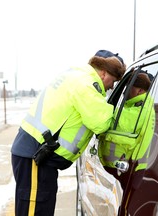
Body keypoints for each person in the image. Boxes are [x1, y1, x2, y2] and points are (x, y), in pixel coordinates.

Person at [11, 50, 126, 216]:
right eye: (113, 80)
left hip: (36, 155)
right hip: (36, 156)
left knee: (37, 210)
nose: (112, 86)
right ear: (103, 72)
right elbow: (101, 124)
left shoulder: (75, 75)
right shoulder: (86, 85)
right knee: (34, 212)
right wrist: (112, 107)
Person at [98, 69, 155, 190]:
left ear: (140, 90)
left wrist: (100, 106)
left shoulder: (143, 107)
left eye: (129, 87)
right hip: (132, 169)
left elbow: (119, 119)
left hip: (136, 170)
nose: (125, 91)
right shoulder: (136, 105)